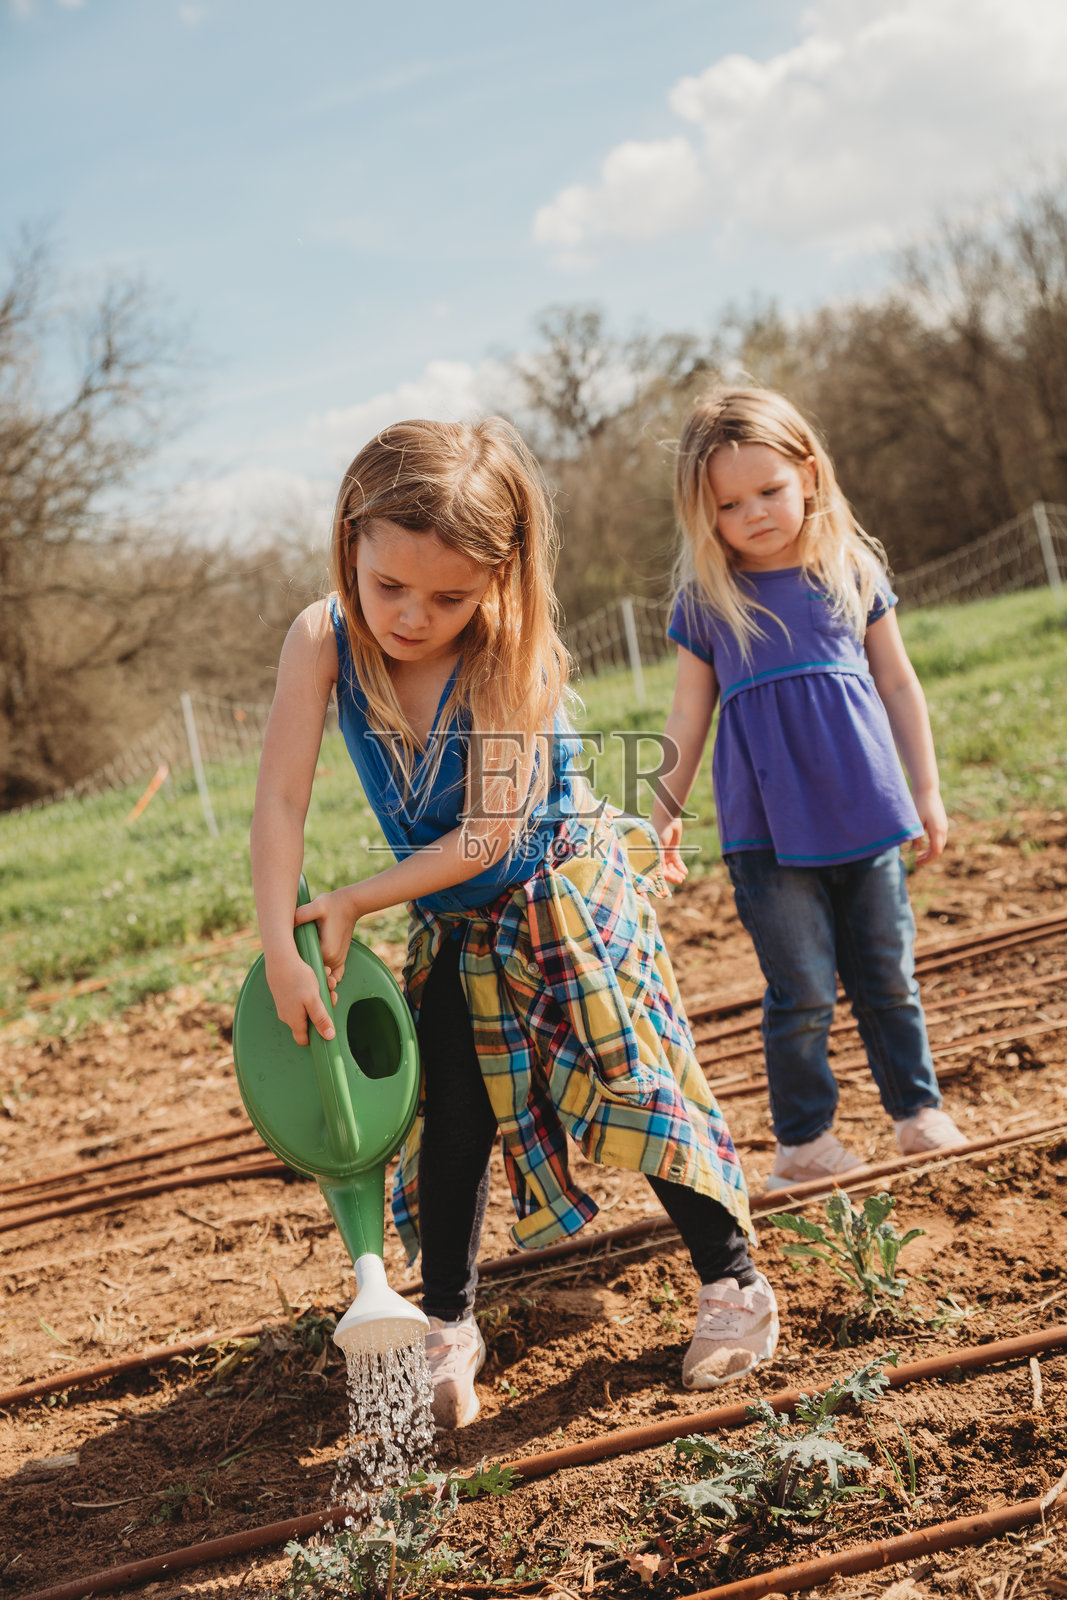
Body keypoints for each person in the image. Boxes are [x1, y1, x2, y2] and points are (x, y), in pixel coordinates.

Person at [250, 416, 779, 1427]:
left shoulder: (511, 654)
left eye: (448, 596)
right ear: (349, 540)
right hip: (455, 917)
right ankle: (447, 1323)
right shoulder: (322, 639)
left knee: (629, 1078)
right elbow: (278, 799)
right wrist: (282, 944)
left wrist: (355, 898)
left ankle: (733, 1280)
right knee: (452, 1111)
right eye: (388, 586)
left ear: (499, 577)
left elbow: (491, 835)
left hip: (558, 890)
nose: (412, 616)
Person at [651, 388, 967, 1194]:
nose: (752, 513)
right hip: (767, 830)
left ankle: (916, 1113)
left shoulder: (849, 571)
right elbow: (686, 714)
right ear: (703, 513)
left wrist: (926, 789)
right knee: (801, 991)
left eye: (768, 490)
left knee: (887, 975)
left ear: (809, 475)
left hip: (865, 810)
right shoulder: (709, 601)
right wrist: (661, 811)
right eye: (728, 504)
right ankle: (802, 1142)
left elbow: (897, 683)